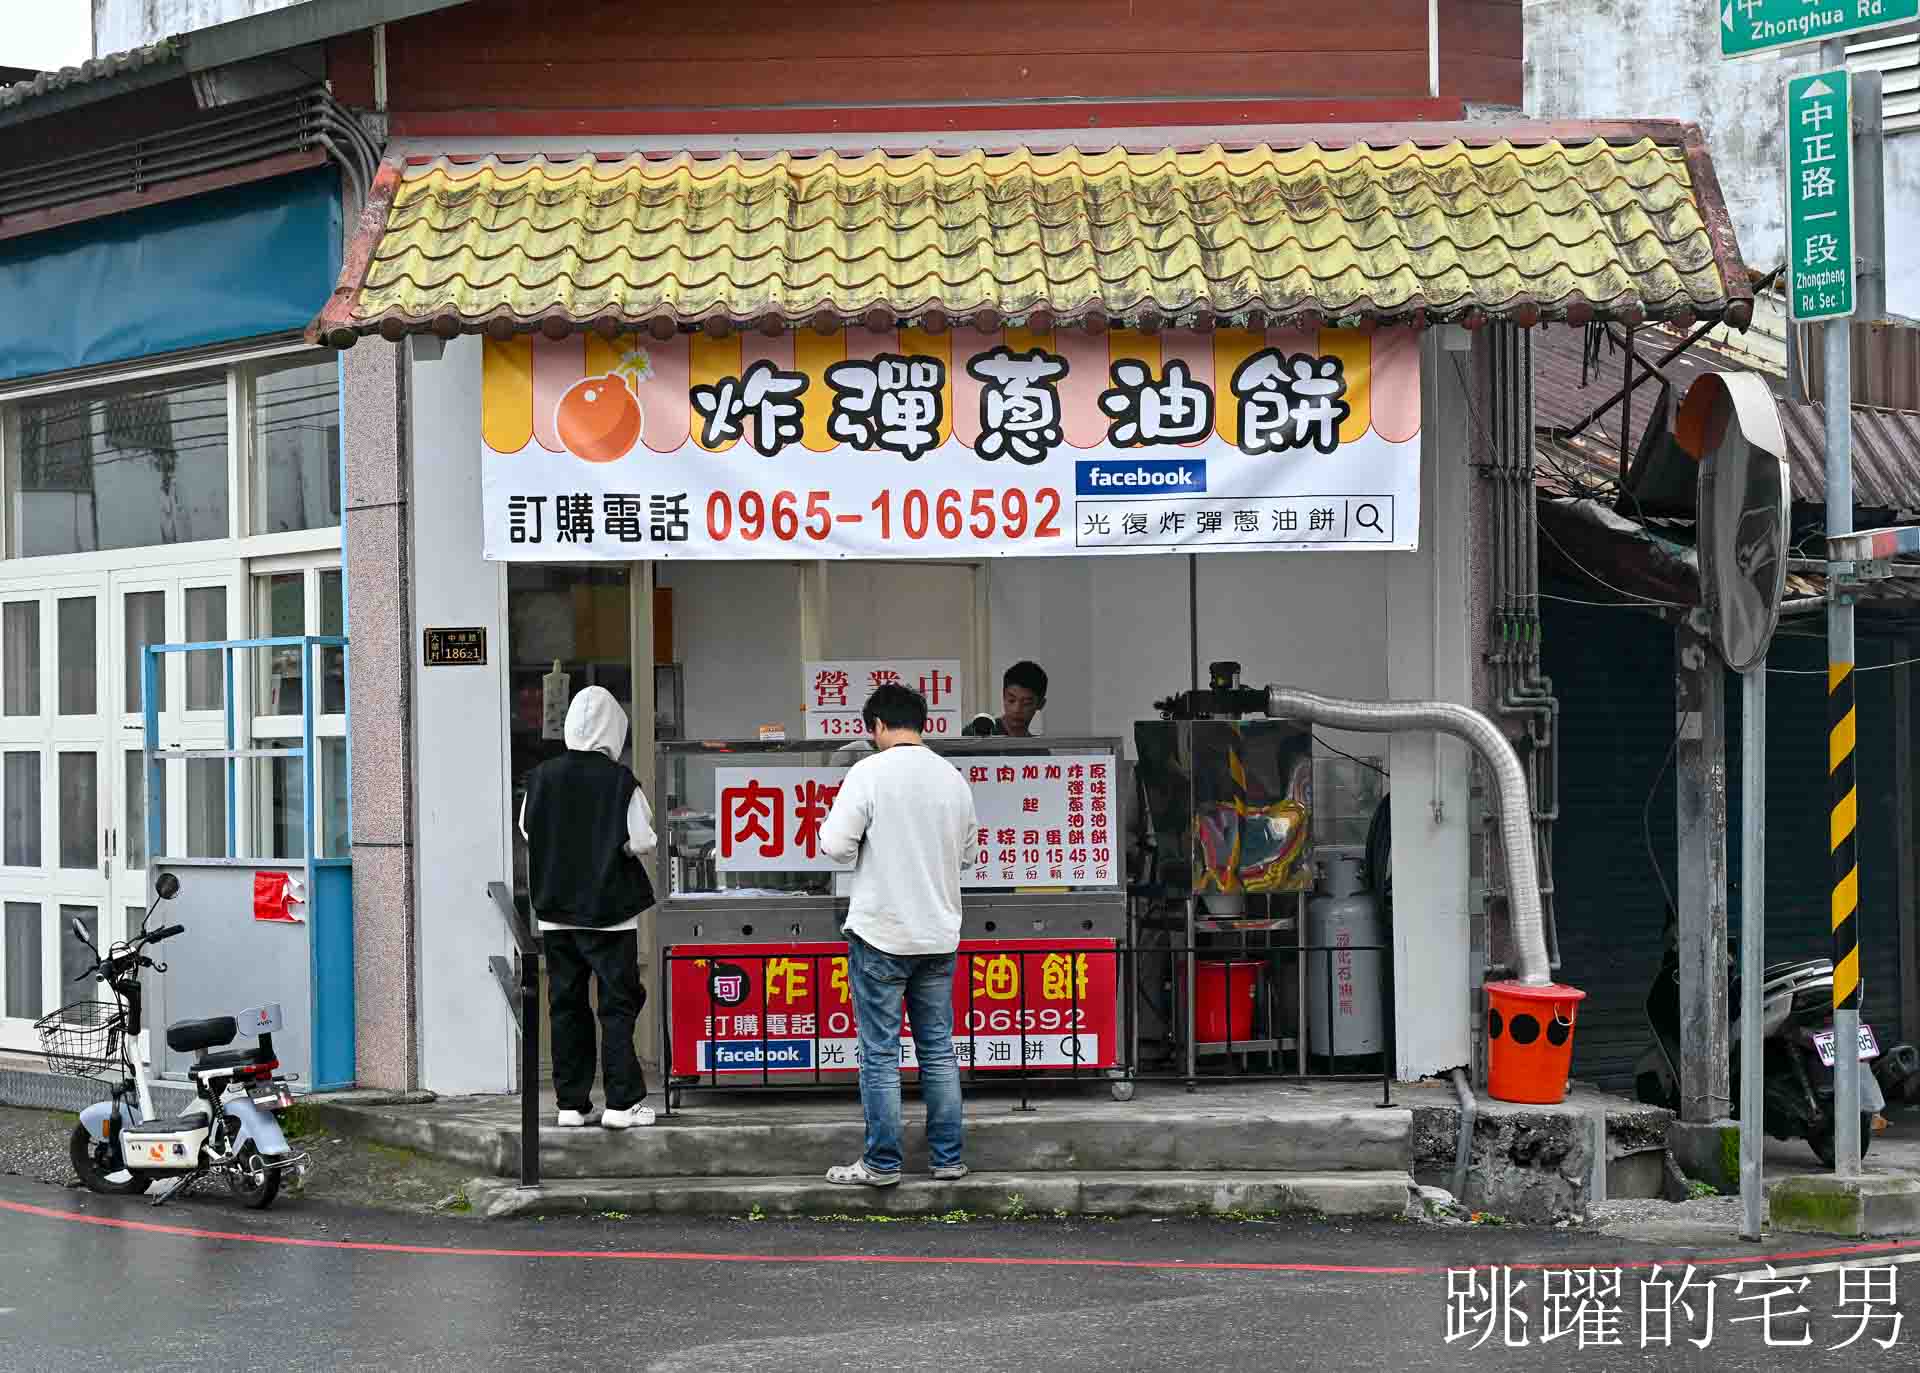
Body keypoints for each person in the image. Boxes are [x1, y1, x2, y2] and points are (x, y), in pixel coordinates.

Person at [818, 683, 979, 1186]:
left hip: (881, 933)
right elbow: (969, 853)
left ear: (878, 726)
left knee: (881, 1052)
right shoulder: (952, 778)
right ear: (922, 723)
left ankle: (882, 1163)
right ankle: (947, 1159)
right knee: (938, 1049)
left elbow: (835, 846)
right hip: (938, 935)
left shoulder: (868, 772)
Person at [518, 685, 657, 1130]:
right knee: (617, 1004)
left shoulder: (540, 777)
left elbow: (526, 828)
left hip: (556, 912)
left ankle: (571, 1103)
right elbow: (644, 839)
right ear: (613, 728)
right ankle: (622, 1103)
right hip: (611, 913)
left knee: (566, 1005)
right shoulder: (620, 780)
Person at [996, 660, 1047, 737]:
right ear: (1003, 697)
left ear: (1041, 704)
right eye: (1011, 700)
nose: (1016, 710)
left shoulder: (1036, 748)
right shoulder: (977, 735)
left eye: (1026, 703)